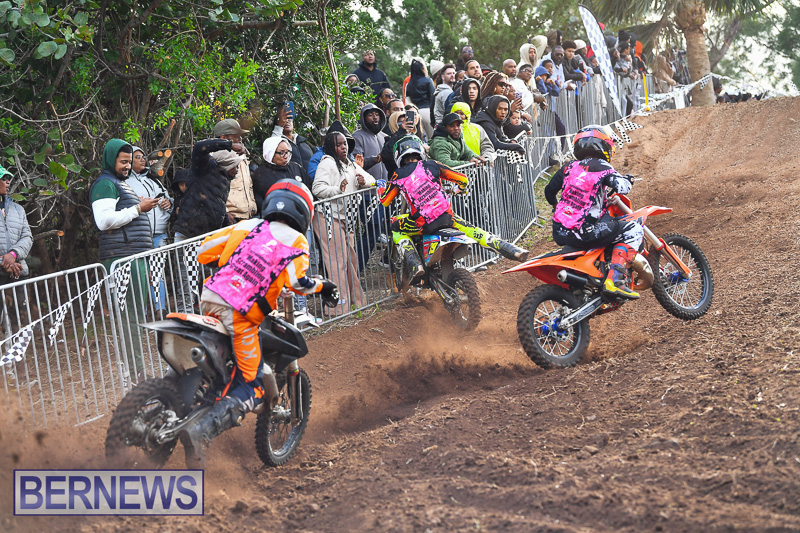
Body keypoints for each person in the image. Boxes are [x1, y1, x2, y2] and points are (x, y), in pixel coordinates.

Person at [182, 180, 339, 466]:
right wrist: (325, 287)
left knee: (228, 356)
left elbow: (205, 252)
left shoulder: (248, 226)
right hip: (241, 312)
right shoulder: (297, 240)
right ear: (304, 212)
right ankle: (202, 430)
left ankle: (207, 393)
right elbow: (299, 282)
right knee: (253, 386)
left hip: (210, 297)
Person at [378, 136, 527, 283]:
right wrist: (459, 189)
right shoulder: (433, 165)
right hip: (446, 217)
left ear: (399, 156)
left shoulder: (397, 176)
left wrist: (380, 186)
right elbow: (463, 179)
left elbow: (385, 201)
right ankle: (512, 250)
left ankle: (414, 263)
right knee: (474, 230)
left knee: (395, 226)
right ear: (420, 150)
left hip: (422, 224)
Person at [544, 125, 644, 299]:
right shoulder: (602, 167)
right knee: (633, 229)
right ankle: (616, 280)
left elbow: (549, 191)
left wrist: (555, 206)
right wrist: (628, 179)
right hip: (585, 232)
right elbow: (622, 187)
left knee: (605, 224)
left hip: (560, 231)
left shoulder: (568, 167)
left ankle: (586, 282)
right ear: (605, 145)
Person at [90, 139, 157, 378]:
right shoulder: (105, 184)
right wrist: (139, 209)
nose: (128, 166)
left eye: (130, 161)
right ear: (111, 160)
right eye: (123, 161)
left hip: (134, 257)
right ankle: (137, 373)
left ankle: (138, 370)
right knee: (130, 317)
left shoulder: (121, 184)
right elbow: (104, 221)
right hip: (121, 259)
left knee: (137, 315)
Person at [172, 137, 246, 313]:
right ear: (227, 165)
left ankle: (214, 320)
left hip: (208, 239)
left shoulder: (224, 179)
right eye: (235, 165)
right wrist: (229, 145)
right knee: (187, 284)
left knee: (214, 282)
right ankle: (186, 324)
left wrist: (229, 226)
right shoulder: (203, 169)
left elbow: (216, 206)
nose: (237, 170)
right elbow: (199, 146)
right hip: (188, 237)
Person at [312, 131, 375, 314]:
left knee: (350, 260)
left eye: (345, 143)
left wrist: (365, 181)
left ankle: (357, 301)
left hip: (345, 218)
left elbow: (370, 180)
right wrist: (337, 190)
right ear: (332, 147)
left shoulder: (350, 164)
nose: (344, 147)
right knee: (336, 263)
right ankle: (337, 309)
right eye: (339, 144)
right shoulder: (327, 163)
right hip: (327, 217)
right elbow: (317, 188)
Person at [127, 146, 173, 311]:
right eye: (137, 157)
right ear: (128, 160)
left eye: (143, 157)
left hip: (159, 234)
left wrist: (169, 203)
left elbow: (168, 200)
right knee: (140, 273)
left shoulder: (154, 180)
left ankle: (159, 308)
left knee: (158, 272)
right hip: (138, 234)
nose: (142, 159)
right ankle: (141, 310)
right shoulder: (124, 182)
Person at [352, 103, 389, 270]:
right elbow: (356, 163)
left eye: (377, 114)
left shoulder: (384, 136)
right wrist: (375, 159)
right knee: (373, 230)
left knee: (385, 229)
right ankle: (357, 266)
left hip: (385, 192)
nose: (375, 117)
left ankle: (388, 262)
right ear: (363, 118)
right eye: (370, 115)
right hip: (367, 193)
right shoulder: (357, 137)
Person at [253, 137, 313, 214]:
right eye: (281, 153)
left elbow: (309, 187)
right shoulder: (261, 174)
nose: (286, 156)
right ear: (270, 154)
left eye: (287, 152)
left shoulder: (295, 167)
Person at [213, 119, 257, 224]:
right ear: (223, 138)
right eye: (236, 136)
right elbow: (210, 190)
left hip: (247, 218)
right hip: (231, 219)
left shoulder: (241, 155)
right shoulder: (216, 158)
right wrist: (224, 212)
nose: (240, 139)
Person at [0, 165, 32, 286]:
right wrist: (5, 262)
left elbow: (27, 237)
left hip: (18, 272)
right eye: (3, 178)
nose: (8, 182)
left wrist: (13, 254)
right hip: (10, 270)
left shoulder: (18, 209)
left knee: (22, 305)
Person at [271, 105, 314, 171]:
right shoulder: (277, 143)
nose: (287, 122)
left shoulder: (303, 143)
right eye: (284, 120)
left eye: (290, 120)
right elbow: (271, 146)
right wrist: (279, 126)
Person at [406, 59, 435, 139]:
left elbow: (408, 101)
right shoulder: (428, 80)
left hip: (417, 113)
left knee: (422, 138)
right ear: (422, 68)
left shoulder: (409, 84)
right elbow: (433, 97)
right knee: (433, 138)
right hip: (428, 111)